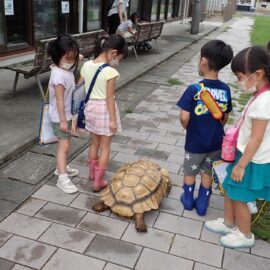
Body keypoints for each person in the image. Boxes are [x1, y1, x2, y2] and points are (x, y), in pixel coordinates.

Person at [205, 46, 270, 248]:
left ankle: (245, 234)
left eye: (240, 76)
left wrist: (241, 165)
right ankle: (228, 222)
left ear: (258, 74)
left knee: (239, 196)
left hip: (251, 160)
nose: (238, 81)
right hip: (245, 155)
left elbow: (256, 139)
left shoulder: (264, 101)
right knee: (230, 188)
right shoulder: (260, 95)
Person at [177, 40, 234, 216]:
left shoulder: (193, 89)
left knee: (190, 170)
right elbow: (224, 117)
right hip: (216, 142)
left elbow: (184, 117)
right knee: (207, 172)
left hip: (195, 142)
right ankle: (202, 204)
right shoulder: (225, 89)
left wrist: (188, 128)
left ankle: (187, 199)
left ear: (203, 61)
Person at [79, 35, 128, 192]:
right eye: (119, 59)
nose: (118, 63)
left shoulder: (86, 65)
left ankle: (92, 174)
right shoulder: (110, 72)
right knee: (105, 147)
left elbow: (79, 86)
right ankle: (98, 182)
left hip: (90, 109)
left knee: (94, 143)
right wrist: (113, 120)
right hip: (104, 111)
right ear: (113, 53)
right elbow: (109, 98)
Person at [47, 35, 80, 194]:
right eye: (68, 58)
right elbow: (59, 100)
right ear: (57, 55)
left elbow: (79, 56)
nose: (71, 61)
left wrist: (76, 55)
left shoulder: (63, 68)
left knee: (64, 145)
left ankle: (60, 167)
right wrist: (63, 121)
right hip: (60, 116)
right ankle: (62, 178)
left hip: (66, 115)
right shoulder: (58, 75)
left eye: (73, 58)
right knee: (64, 146)